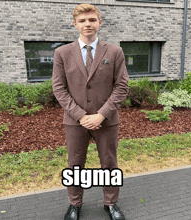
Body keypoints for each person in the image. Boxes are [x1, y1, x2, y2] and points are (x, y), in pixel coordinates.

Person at [52, 4, 129, 220]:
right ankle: (74, 204)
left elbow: (122, 86)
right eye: (83, 20)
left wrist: (101, 114)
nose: (88, 24)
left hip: (107, 119)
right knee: (75, 163)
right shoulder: (62, 53)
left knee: (109, 162)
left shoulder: (115, 51)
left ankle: (111, 203)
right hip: (75, 121)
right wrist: (81, 116)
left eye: (92, 20)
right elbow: (59, 88)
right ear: (75, 24)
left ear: (99, 23)